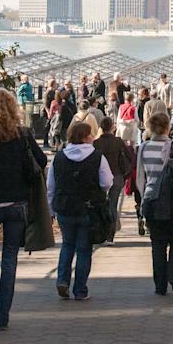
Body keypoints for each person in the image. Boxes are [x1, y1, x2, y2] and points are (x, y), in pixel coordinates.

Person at [0, 88, 47, 328]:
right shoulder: (22, 135)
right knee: (9, 258)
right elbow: (42, 161)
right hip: (17, 203)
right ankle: (2, 315)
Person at [47, 121, 114, 301]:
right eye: (90, 134)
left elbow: (51, 185)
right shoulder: (97, 157)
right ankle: (80, 289)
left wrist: (51, 208)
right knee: (84, 249)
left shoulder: (59, 157)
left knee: (67, 245)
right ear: (86, 137)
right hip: (88, 208)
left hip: (64, 207)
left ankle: (62, 280)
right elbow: (107, 182)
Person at [136, 113, 173, 295]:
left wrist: (143, 197)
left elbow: (139, 177)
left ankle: (160, 285)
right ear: (168, 127)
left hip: (152, 199)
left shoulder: (143, 147)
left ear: (150, 128)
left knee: (157, 244)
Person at [94, 117, 134, 245]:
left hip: (99, 177)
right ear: (112, 127)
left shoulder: (96, 143)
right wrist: (125, 174)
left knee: (100, 205)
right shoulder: (118, 142)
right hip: (116, 176)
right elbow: (131, 158)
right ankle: (110, 236)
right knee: (113, 205)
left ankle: (101, 232)